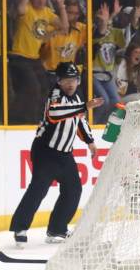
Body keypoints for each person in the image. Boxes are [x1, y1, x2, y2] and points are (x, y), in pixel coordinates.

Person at [10, 62, 103, 247]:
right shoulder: (54, 95)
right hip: (46, 152)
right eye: (67, 80)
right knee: (39, 189)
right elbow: (55, 113)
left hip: (65, 154)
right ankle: (20, 228)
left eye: (74, 80)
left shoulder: (77, 97)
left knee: (73, 189)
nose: (71, 84)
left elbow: (80, 121)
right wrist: (84, 106)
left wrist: (90, 141)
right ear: (59, 81)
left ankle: (57, 229)